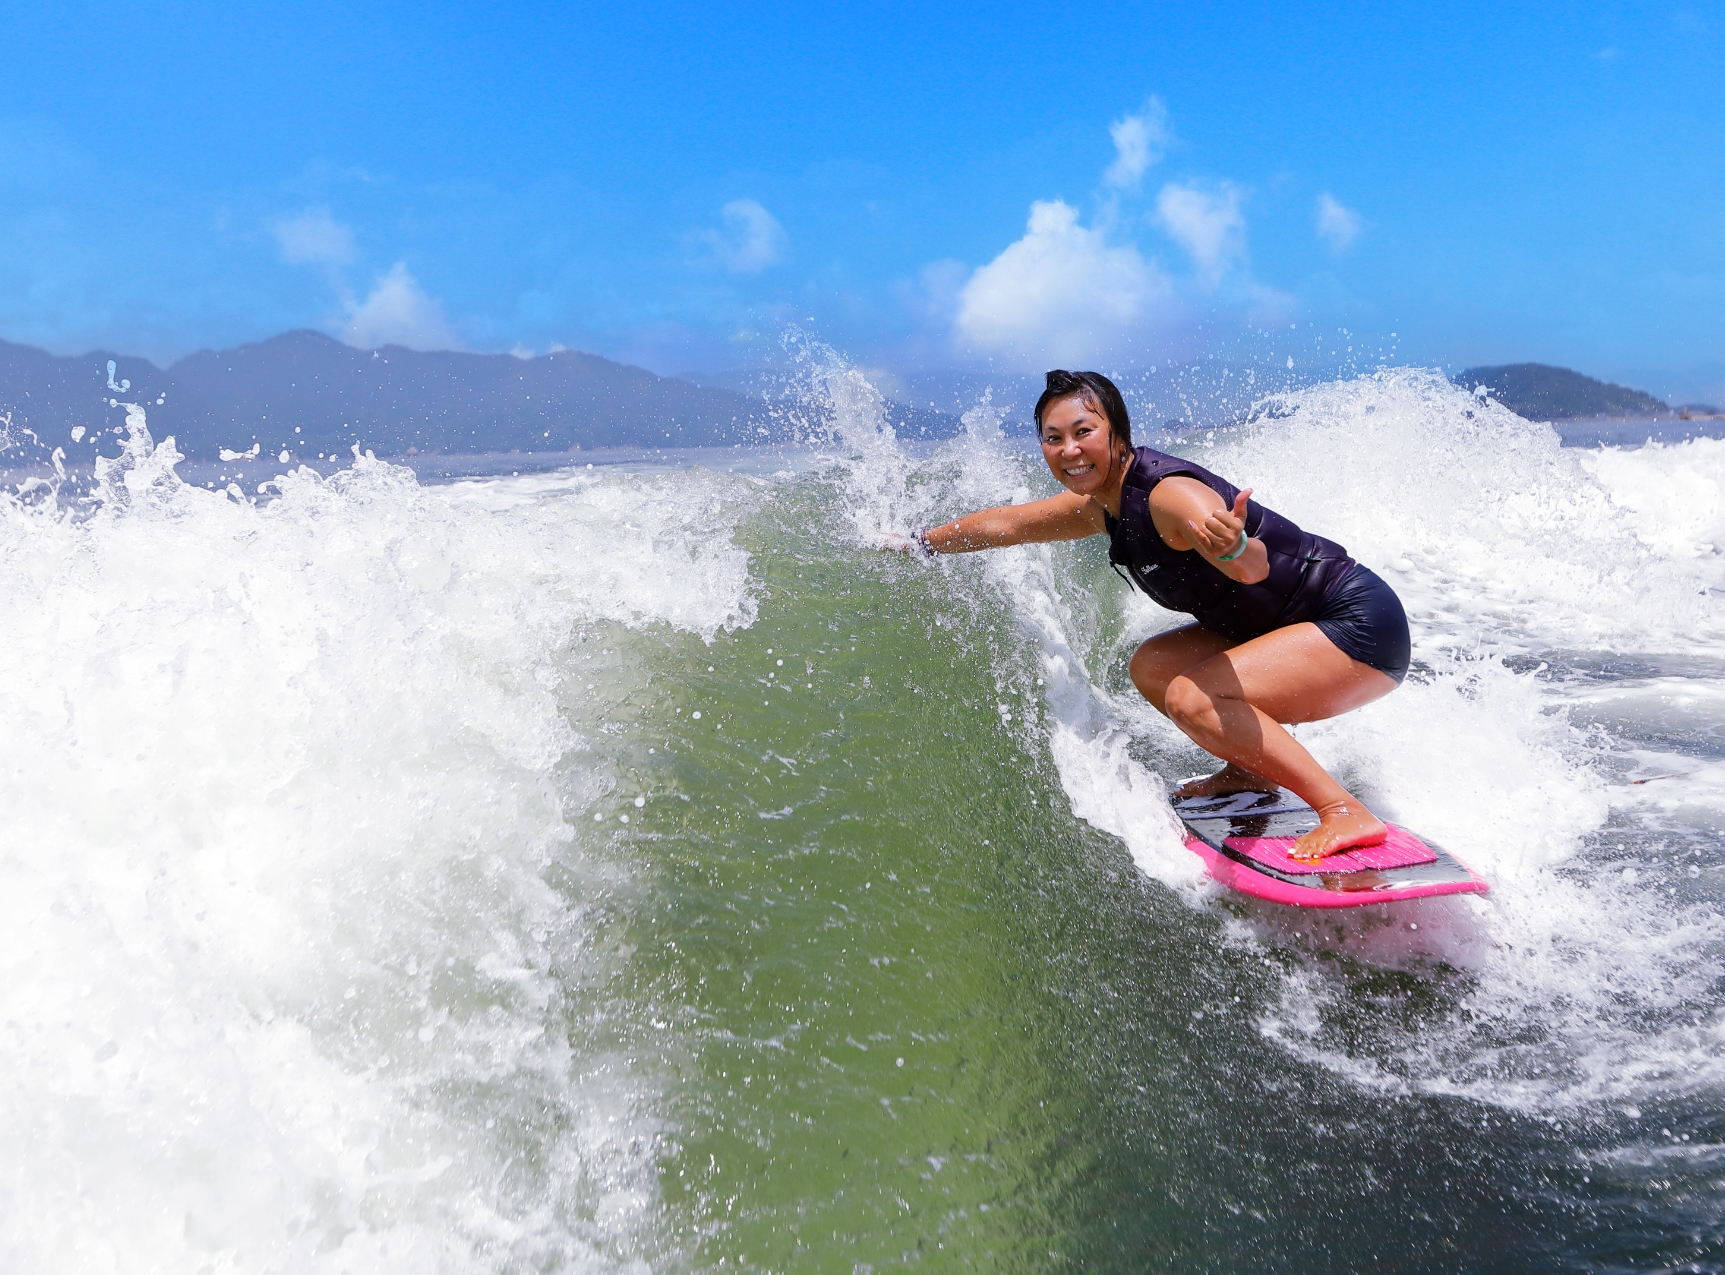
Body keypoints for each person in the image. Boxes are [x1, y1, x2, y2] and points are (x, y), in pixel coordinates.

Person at [886, 369, 1411, 861]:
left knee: (1192, 697)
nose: (1069, 450)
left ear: (1117, 433)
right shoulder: (1101, 504)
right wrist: (920, 543)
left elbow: (1254, 568)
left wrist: (1233, 548)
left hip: (1357, 627)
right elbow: (1010, 524)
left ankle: (1343, 811)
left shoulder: (1169, 495)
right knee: (1155, 666)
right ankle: (1250, 773)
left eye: (1083, 431)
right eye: (1053, 437)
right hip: (1293, 627)